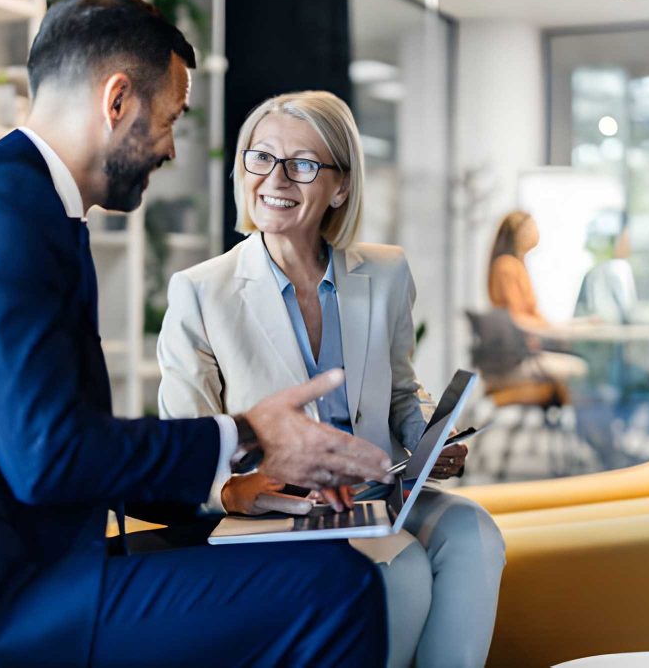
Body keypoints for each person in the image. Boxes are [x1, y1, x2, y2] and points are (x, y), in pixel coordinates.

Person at [0, 0, 395, 666]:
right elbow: (49, 455)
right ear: (117, 101)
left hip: (11, 563)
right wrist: (249, 434)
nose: (171, 148)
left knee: (296, 557)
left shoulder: (24, 207)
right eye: (170, 119)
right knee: (335, 588)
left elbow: (59, 449)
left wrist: (234, 489)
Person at [157, 90, 507, 667]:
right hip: (281, 509)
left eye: (303, 165)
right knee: (401, 568)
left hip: (377, 490)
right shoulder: (200, 291)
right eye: (261, 157)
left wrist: (427, 440)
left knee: (474, 534)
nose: (276, 178)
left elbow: (399, 390)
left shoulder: (386, 271)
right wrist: (233, 491)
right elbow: (184, 442)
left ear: (340, 187)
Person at [487, 210, 587, 382]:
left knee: (575, 358)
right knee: (579, 368)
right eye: (531, 227)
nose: (536, 232)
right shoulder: (507, 266)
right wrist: (554, 329)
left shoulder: (516, 265)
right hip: (516, 355)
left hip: (524, 348)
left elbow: (530, 314)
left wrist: (559, 326)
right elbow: (516, 318)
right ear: (518, 234)